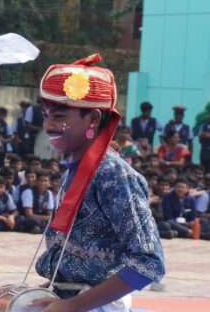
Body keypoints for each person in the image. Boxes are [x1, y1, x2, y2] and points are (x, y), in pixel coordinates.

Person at [32, 54, 164, 311]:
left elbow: (149, 264)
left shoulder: (115, 175)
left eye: (58, 116)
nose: (48, 125)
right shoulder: (72, 170)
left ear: (93, 119)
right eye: (45, 115)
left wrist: (73, 306)